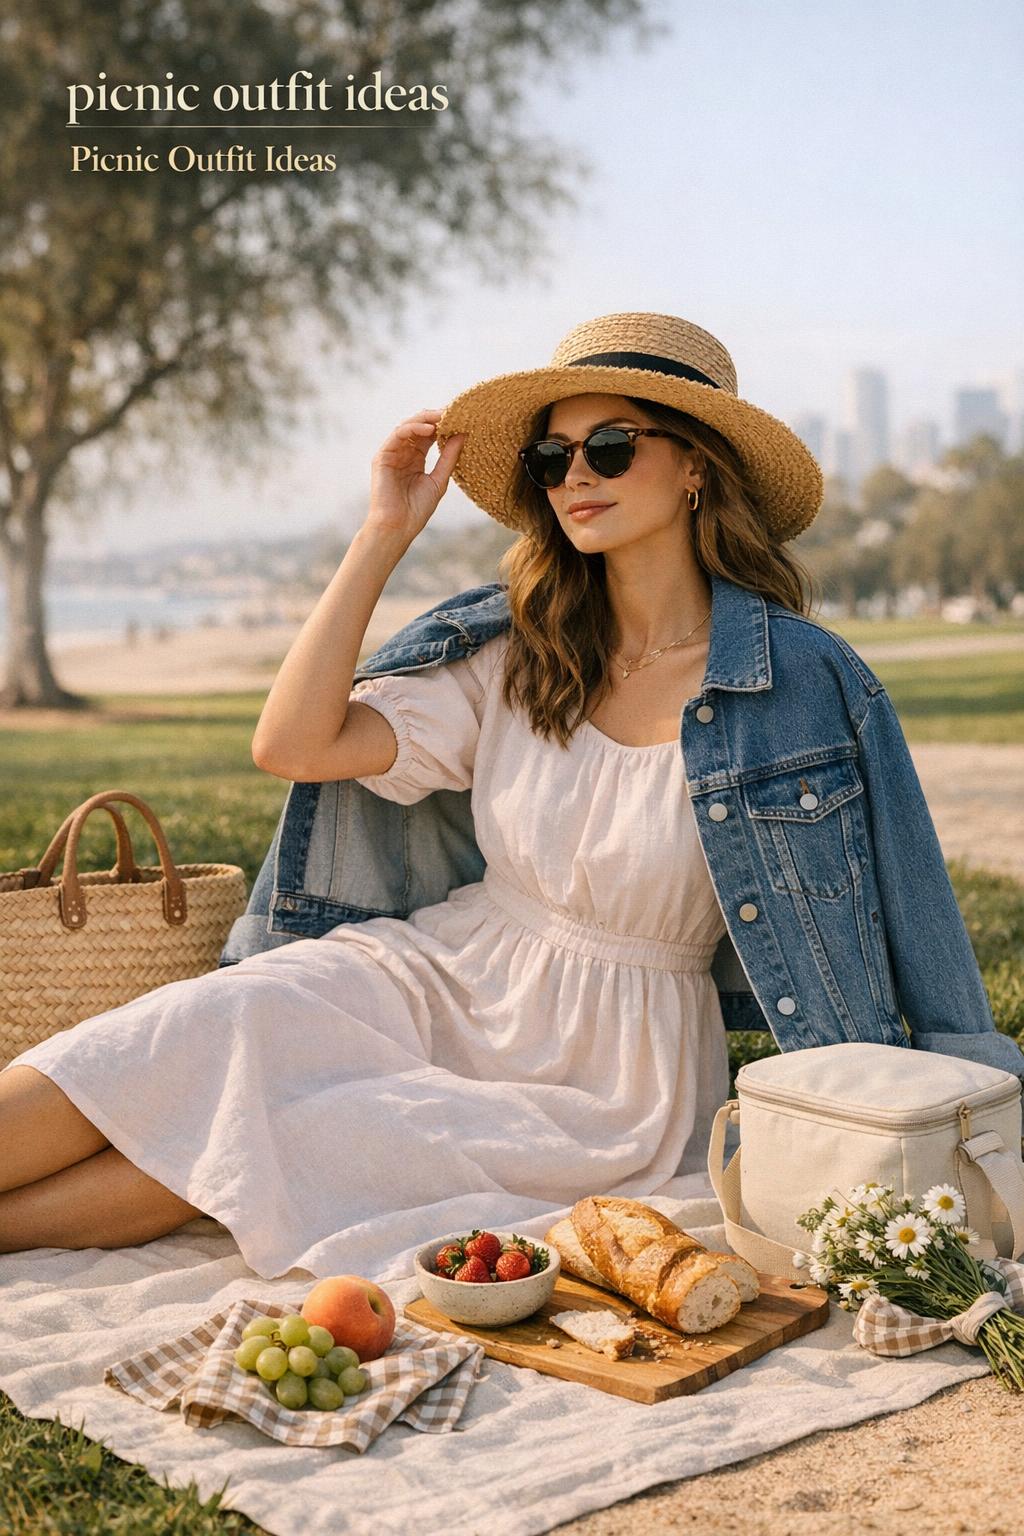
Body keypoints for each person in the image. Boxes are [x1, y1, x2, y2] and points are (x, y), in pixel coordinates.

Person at [1, 312, 1017, 1273]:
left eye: (610, 447)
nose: (576, 475)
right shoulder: (517, 649)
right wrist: (382, 533)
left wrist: (962, 1104)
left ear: (697, 465)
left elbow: (910, 901)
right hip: (447, 968)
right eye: (553, 457)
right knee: (196, 1025)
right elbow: (293, 743)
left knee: (299, 1135)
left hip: (614, 1078)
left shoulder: (802, 683)